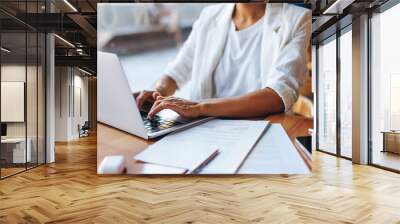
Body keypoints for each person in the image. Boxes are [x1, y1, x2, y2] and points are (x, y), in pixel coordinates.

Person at [136, 3, 311, 119]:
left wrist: (199, 107)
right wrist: (157, 92)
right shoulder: (210, 15)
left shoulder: (297, 19)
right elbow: (176, 72)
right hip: (203, 128)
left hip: (261, 128)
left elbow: (277, 96)